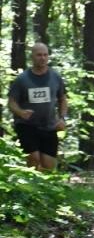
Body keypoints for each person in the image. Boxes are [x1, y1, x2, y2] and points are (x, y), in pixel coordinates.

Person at [8, 42, 68, 171]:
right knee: (33, 159)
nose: (43, 58)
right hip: (27, 125)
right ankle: (31, 189)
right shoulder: (22, 79)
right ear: (32, 57)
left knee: (48, 166)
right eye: (39, 55)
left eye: (45, 55)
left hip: (49, 125)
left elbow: (63, 99)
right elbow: (11, 102)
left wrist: (62, 118)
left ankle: (45, 190)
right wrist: (20, 112)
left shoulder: (55, 77)